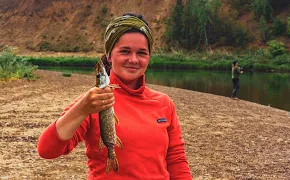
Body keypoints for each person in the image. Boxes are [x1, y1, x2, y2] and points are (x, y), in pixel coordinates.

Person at [37, 13, 192, 180]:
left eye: (142, 53)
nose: (134, 59)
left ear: (149, 57)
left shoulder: (164, 103)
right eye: (125, 51)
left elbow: (176, 159)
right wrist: (82, 108)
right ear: (109, 56)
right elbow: (47, 150)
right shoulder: (93, 101)